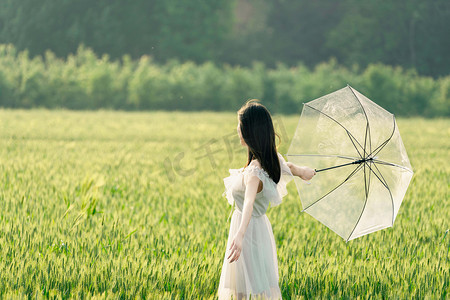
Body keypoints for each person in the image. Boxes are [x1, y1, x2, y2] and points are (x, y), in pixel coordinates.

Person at [217, 99, 316, 299]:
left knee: (244, 291)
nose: (237, 129)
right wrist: (305, 172)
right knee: (252, 287)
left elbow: (248, 203)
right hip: (258, 229)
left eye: (240, 125)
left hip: (248, 232)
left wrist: (239, 235)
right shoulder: (272, 160)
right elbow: (292, 168)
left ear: (250, 132)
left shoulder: (254, 172)